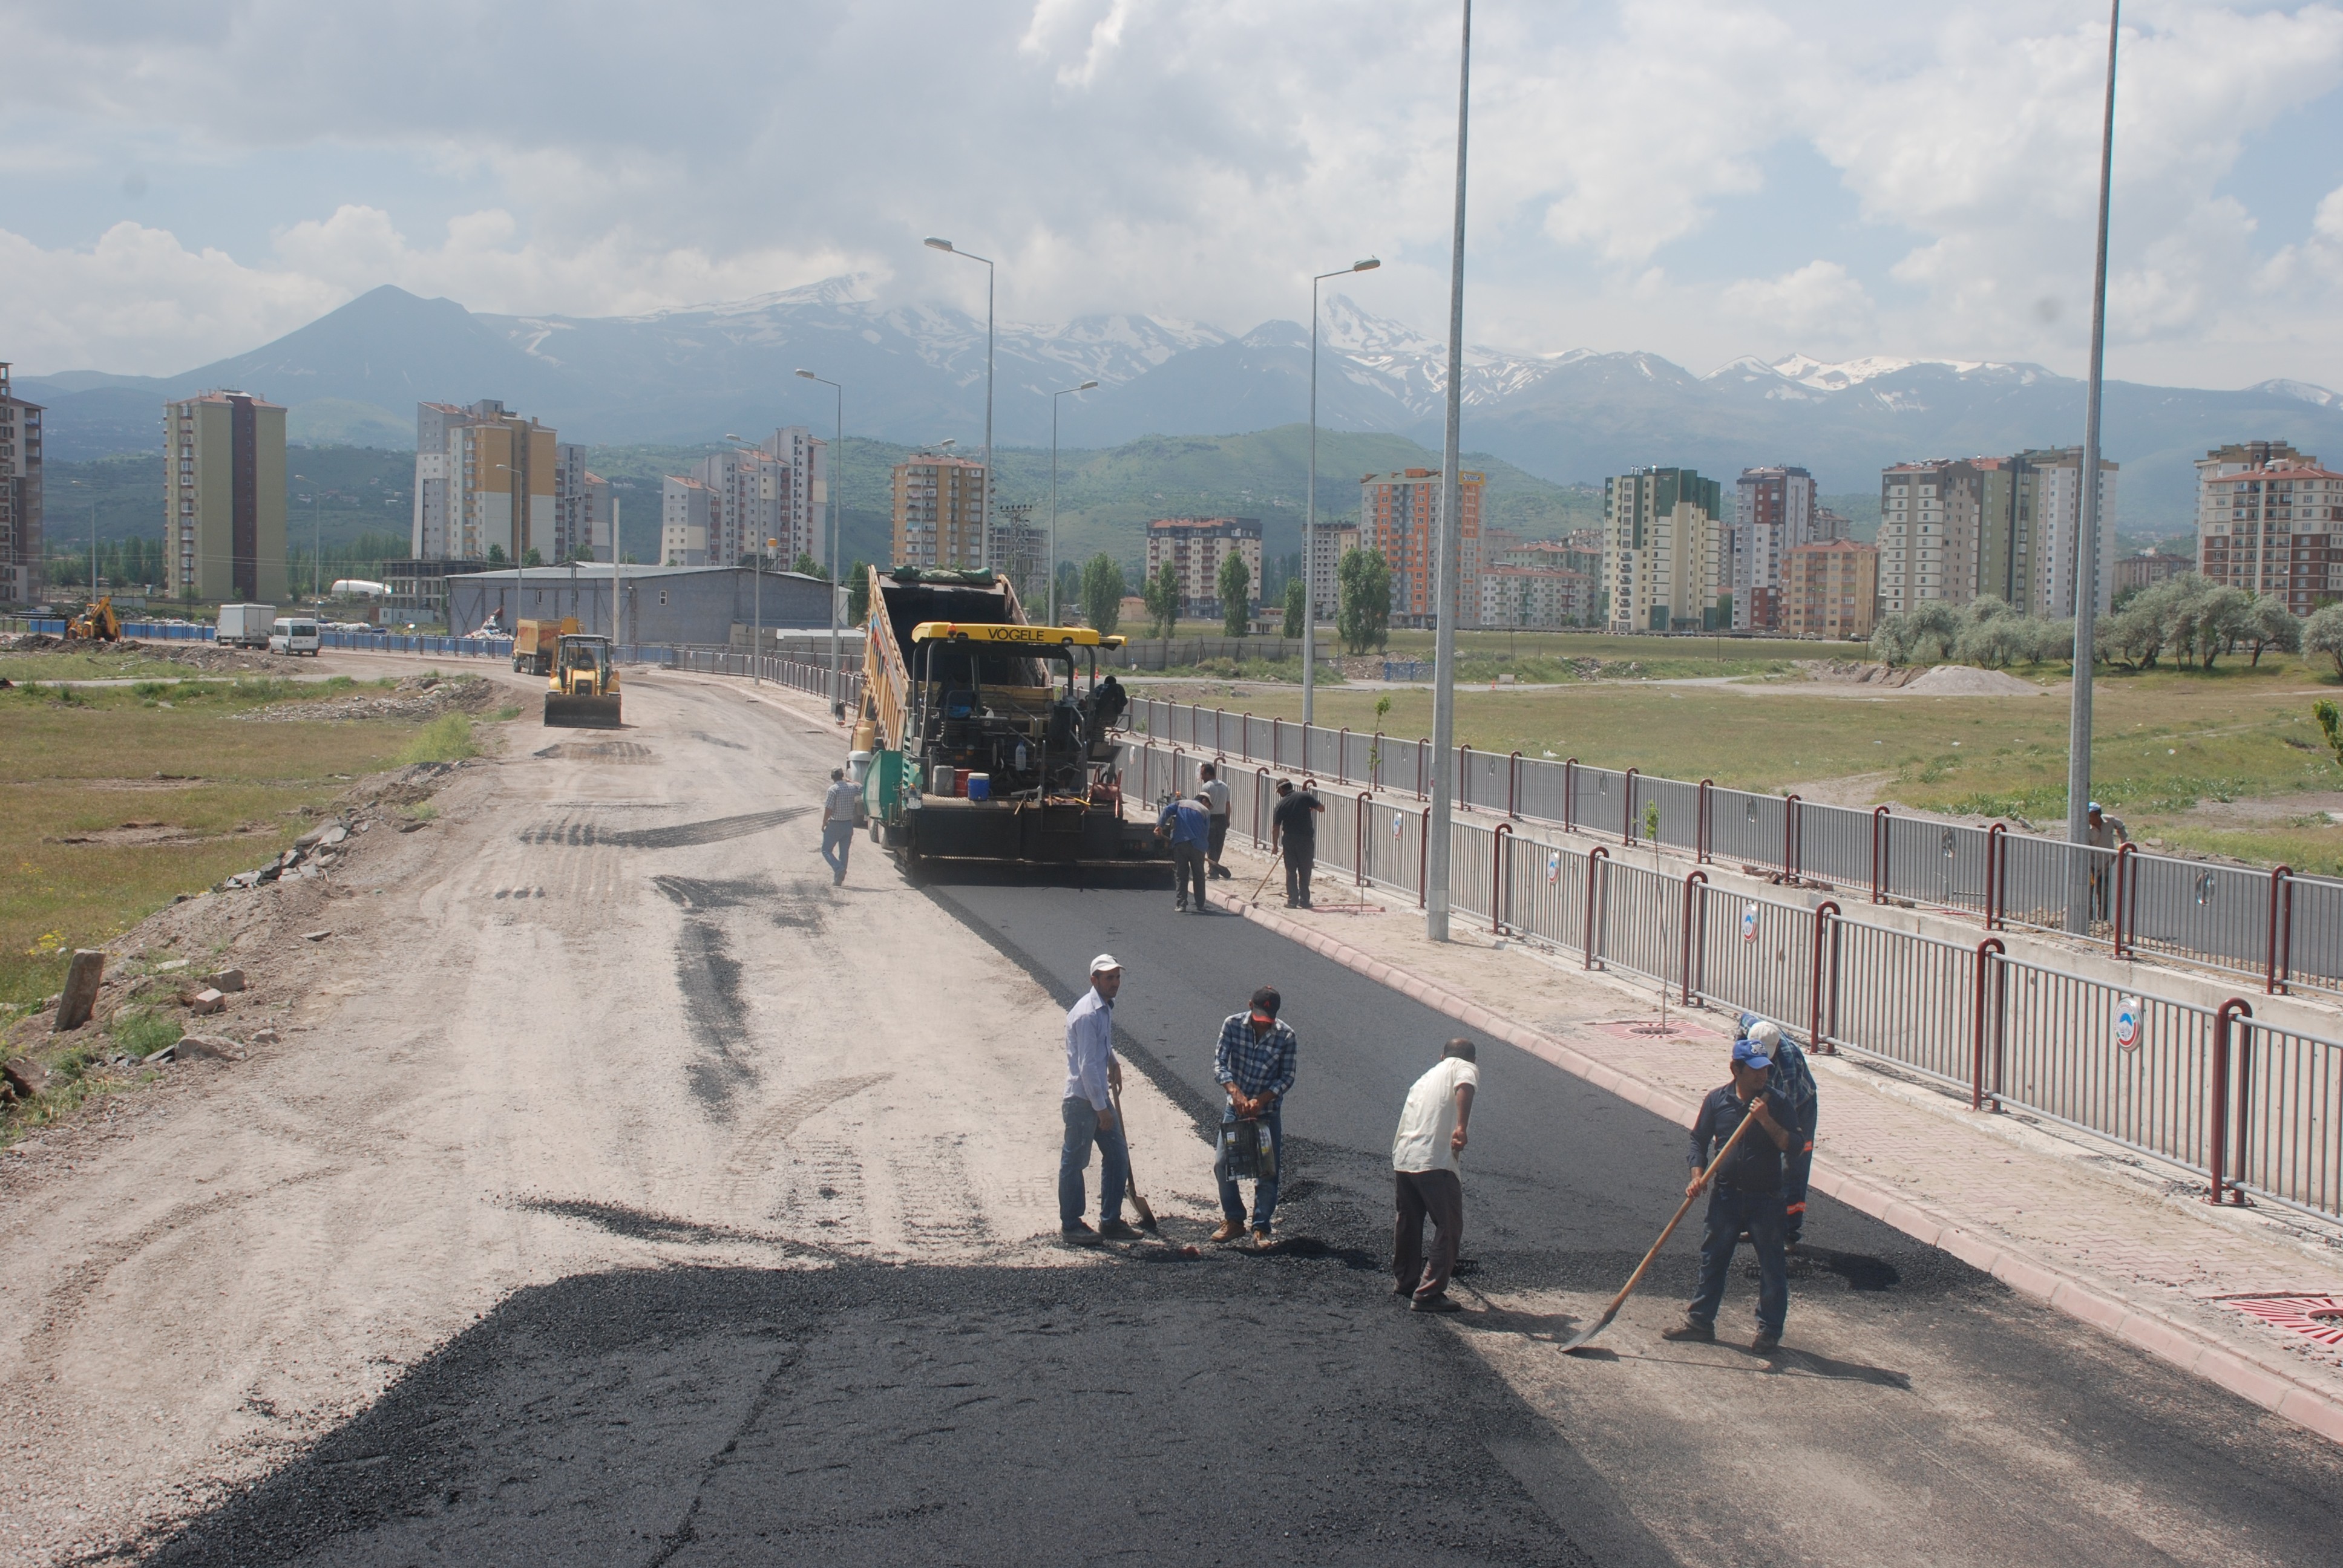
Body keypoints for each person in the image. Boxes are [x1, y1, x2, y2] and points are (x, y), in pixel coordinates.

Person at [1663, 1036, 1797, 1353]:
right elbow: (1698, 1141)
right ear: (1735, 1069)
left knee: (1772, 1266)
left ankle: (1769, 1331)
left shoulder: (1777, 1103)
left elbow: (1793, 1145)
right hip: (1726, 1196)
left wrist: (1765, 1120)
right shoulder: (1717, 1100)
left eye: (1764, 1069)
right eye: (1754, 1070)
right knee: (1714, 1260)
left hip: (1766, 1198)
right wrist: (1698, 1176)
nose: (1762, 1075)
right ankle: (1700, 1323)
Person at [1391, 1038, 1480, 1313]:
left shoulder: (1424, 1078)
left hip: (1405, 1157)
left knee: (1409, 1220)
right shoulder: (1464, 1067)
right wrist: (1461, 1128)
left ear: (1441, 1055)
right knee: (1449, 1225)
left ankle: (1406, 1281)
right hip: (1435, 1161)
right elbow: (1465, 1085)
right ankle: (1429, 1293)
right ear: (1471, 1060)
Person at [1060, 954, 1141, 1246]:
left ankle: (1110, 1220)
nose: (1115, 983)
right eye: (1109, 978)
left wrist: (1114, 1061)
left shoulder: (1104, 1008)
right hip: (1082, 1101)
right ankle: (1071, 1225)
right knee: (1075, 1162)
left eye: (1118, 977)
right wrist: (1101, 1110)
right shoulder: (1087, 1014)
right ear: (1094, 980)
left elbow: (1099, 1047)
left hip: (1095, 1098)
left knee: (1118, 1155)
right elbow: (1086, 1067)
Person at [1212, 985, 1297, 1246]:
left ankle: (1261, 1227)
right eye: (1260, 1019)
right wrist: (1235, 1092)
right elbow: (1220, 1063)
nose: (1264, 1025)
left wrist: (1261, 1100)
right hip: (1235, 1108)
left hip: (1267, 1113)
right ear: (1251, 1006)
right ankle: (1234, 1219)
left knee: (1267, 1171)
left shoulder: (1286, 1036)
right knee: (1223, 1164)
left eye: (1268, 1021)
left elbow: (1287, 1077)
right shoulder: (1232, 1025)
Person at [1738, 1016, 1818, 1251]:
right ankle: (1754, 1223)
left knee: (1792, 1164)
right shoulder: (1749, 1025)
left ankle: (1788, 1231)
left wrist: (1770, 1128)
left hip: (1800, 1107)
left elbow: (1788, 1120)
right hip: (1763, 1097)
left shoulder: (1788, 1066)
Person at [1270, 779, 1325, 909]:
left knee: (1291, 871)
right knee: (1305, 871)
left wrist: (1275, 845)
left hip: (1289, 840)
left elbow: (1275, 828)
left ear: (1282, 790)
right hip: (1305, 840)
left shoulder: (1281, 804)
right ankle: (1305, 900)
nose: (1279, 794)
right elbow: (1322, 809)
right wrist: (1309, 808)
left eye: (1279, 792)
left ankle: (1292, 900)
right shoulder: (1305, 796)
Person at [1156, 791, 1213, 912]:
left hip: (1180, 843)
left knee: (1181, 875)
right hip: (1198, 846)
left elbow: (1166, 811)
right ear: (1204, 801)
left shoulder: (1181, 803)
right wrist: (1204, 849)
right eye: (1209, 804)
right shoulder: (1206, 811)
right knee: (1199, 875)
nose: (1209, 807)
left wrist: (1159, 826)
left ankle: (1181, 905)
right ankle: (1200, 905)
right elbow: (1206, 833)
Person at [2086, 800, 2129, 923]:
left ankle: (2103, 921)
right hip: (2091, 865)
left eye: (2091, 815)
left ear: (2097, 814)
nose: (2089, 818)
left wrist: (2123, 843)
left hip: (2106, 863)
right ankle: (2088, 919)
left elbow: (2120, 826)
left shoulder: (2109, 821)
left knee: (2104, 892)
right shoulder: (2085, 828)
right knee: (2088, 891)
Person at [821, 766, 859, 886]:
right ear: (842, 776)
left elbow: (829, 808)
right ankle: (839, 880)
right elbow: (861, 787)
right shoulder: (851, 788)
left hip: (835, 824)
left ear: (832, 778)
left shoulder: (833, 790)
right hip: (848, 824)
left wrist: (824, 822)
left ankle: (838, 869)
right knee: (844, 852)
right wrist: (850, 781)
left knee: (826, 850)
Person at [1198, 762, 1234, 880]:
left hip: (1211, 817)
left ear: (1209, 774)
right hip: (1222, 818)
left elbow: (1203, 805)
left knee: (1211, 845)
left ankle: (1213, 870)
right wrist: (1228, 818)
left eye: (1203, 774)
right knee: (1219, 845)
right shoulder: (1224, 785)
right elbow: (1228, 804)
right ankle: (1214, 868)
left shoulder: (1207, 787)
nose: (1201, 776)